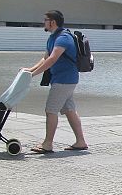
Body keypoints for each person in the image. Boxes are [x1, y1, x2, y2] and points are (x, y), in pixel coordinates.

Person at [22, 10, 88, 153]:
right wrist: (30, 70)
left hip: (64, 80)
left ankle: (47, 144)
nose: (43, 22)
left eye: (45, 20)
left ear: (52, 22)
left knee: (51, 110)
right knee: (69, 110)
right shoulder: (53, 37)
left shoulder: (63, 38)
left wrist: (33, 75)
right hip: (64, 80)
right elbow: (46, 58)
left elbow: (53, 59)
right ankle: (81, 141)